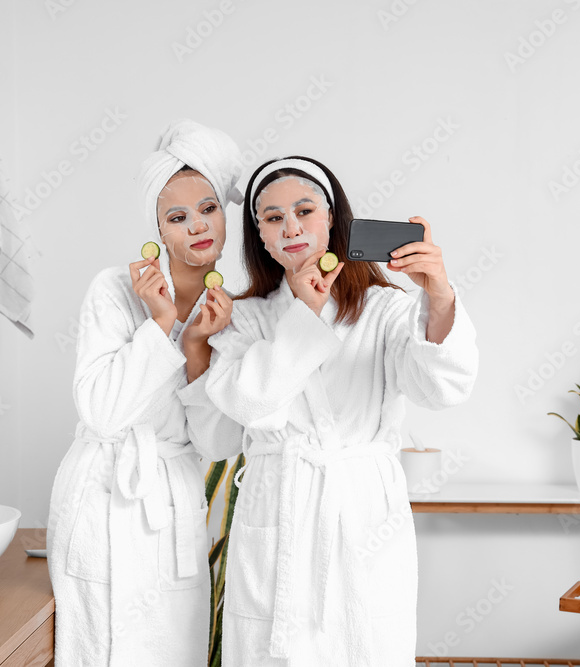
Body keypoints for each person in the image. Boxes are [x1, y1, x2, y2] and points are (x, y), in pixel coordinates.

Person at [182, 156, 479, 666]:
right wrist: (305, 315)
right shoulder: (244, 319)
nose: (291, 228)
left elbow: (443, 389)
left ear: (334, 219)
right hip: (280, 509)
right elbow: (251, 406)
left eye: (304, 211)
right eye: (273, 218)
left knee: (366, 645)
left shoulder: (385, 310)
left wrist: (440, 296)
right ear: (261, 236)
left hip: (364, 514)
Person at [47, 119, 242, 666]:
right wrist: (158, 325)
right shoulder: (114, 290)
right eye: (177, 217)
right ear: (157, 228)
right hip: (106, 497)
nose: (196, 226)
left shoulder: (234, 313)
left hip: (174, 503)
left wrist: (199, 347)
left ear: (226, 216)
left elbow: (221, 441)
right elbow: (103, 413)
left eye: (208, 208)